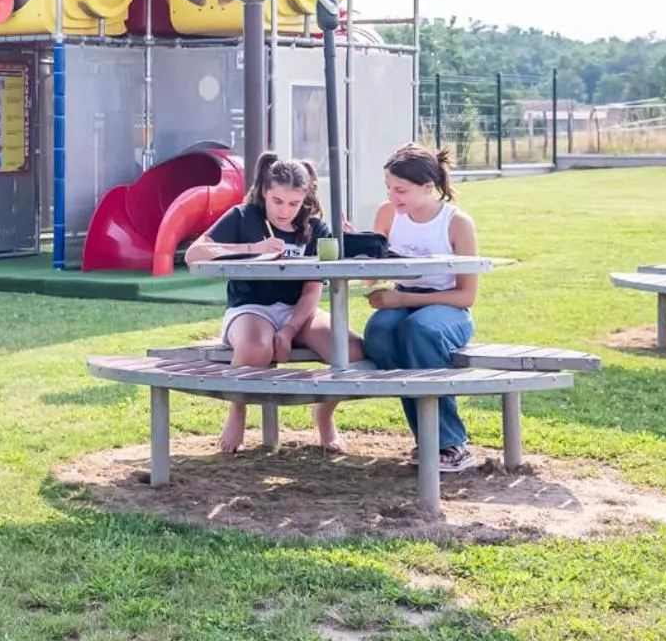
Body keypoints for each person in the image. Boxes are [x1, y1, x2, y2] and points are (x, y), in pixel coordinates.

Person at [184, 152, 359, 454]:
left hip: (299, 312)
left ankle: (324, 414)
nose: (285, 211)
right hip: (250, 308)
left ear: (306, 198)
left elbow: (312, 289)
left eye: (294, 203)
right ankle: (237, 411)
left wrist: (290, 330)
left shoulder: (316, 228)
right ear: (265, 191)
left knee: (351, 350)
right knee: (256, 348)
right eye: (277, 201)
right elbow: (194, 254)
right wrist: (253, 249)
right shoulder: (242, 216)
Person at [361, 143, 481, 474]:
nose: (392, 196)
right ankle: (430, 437)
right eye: (388, 187)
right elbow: (368, 278)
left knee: (420, 332)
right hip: (403, 300)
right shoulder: (388, 213)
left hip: (448, 309)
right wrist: (355, 248)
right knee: (380, 333)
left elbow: (466, 296)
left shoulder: (457, 223)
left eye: (400, 190)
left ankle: (451, 443)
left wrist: (402, 300)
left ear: (429, 187)